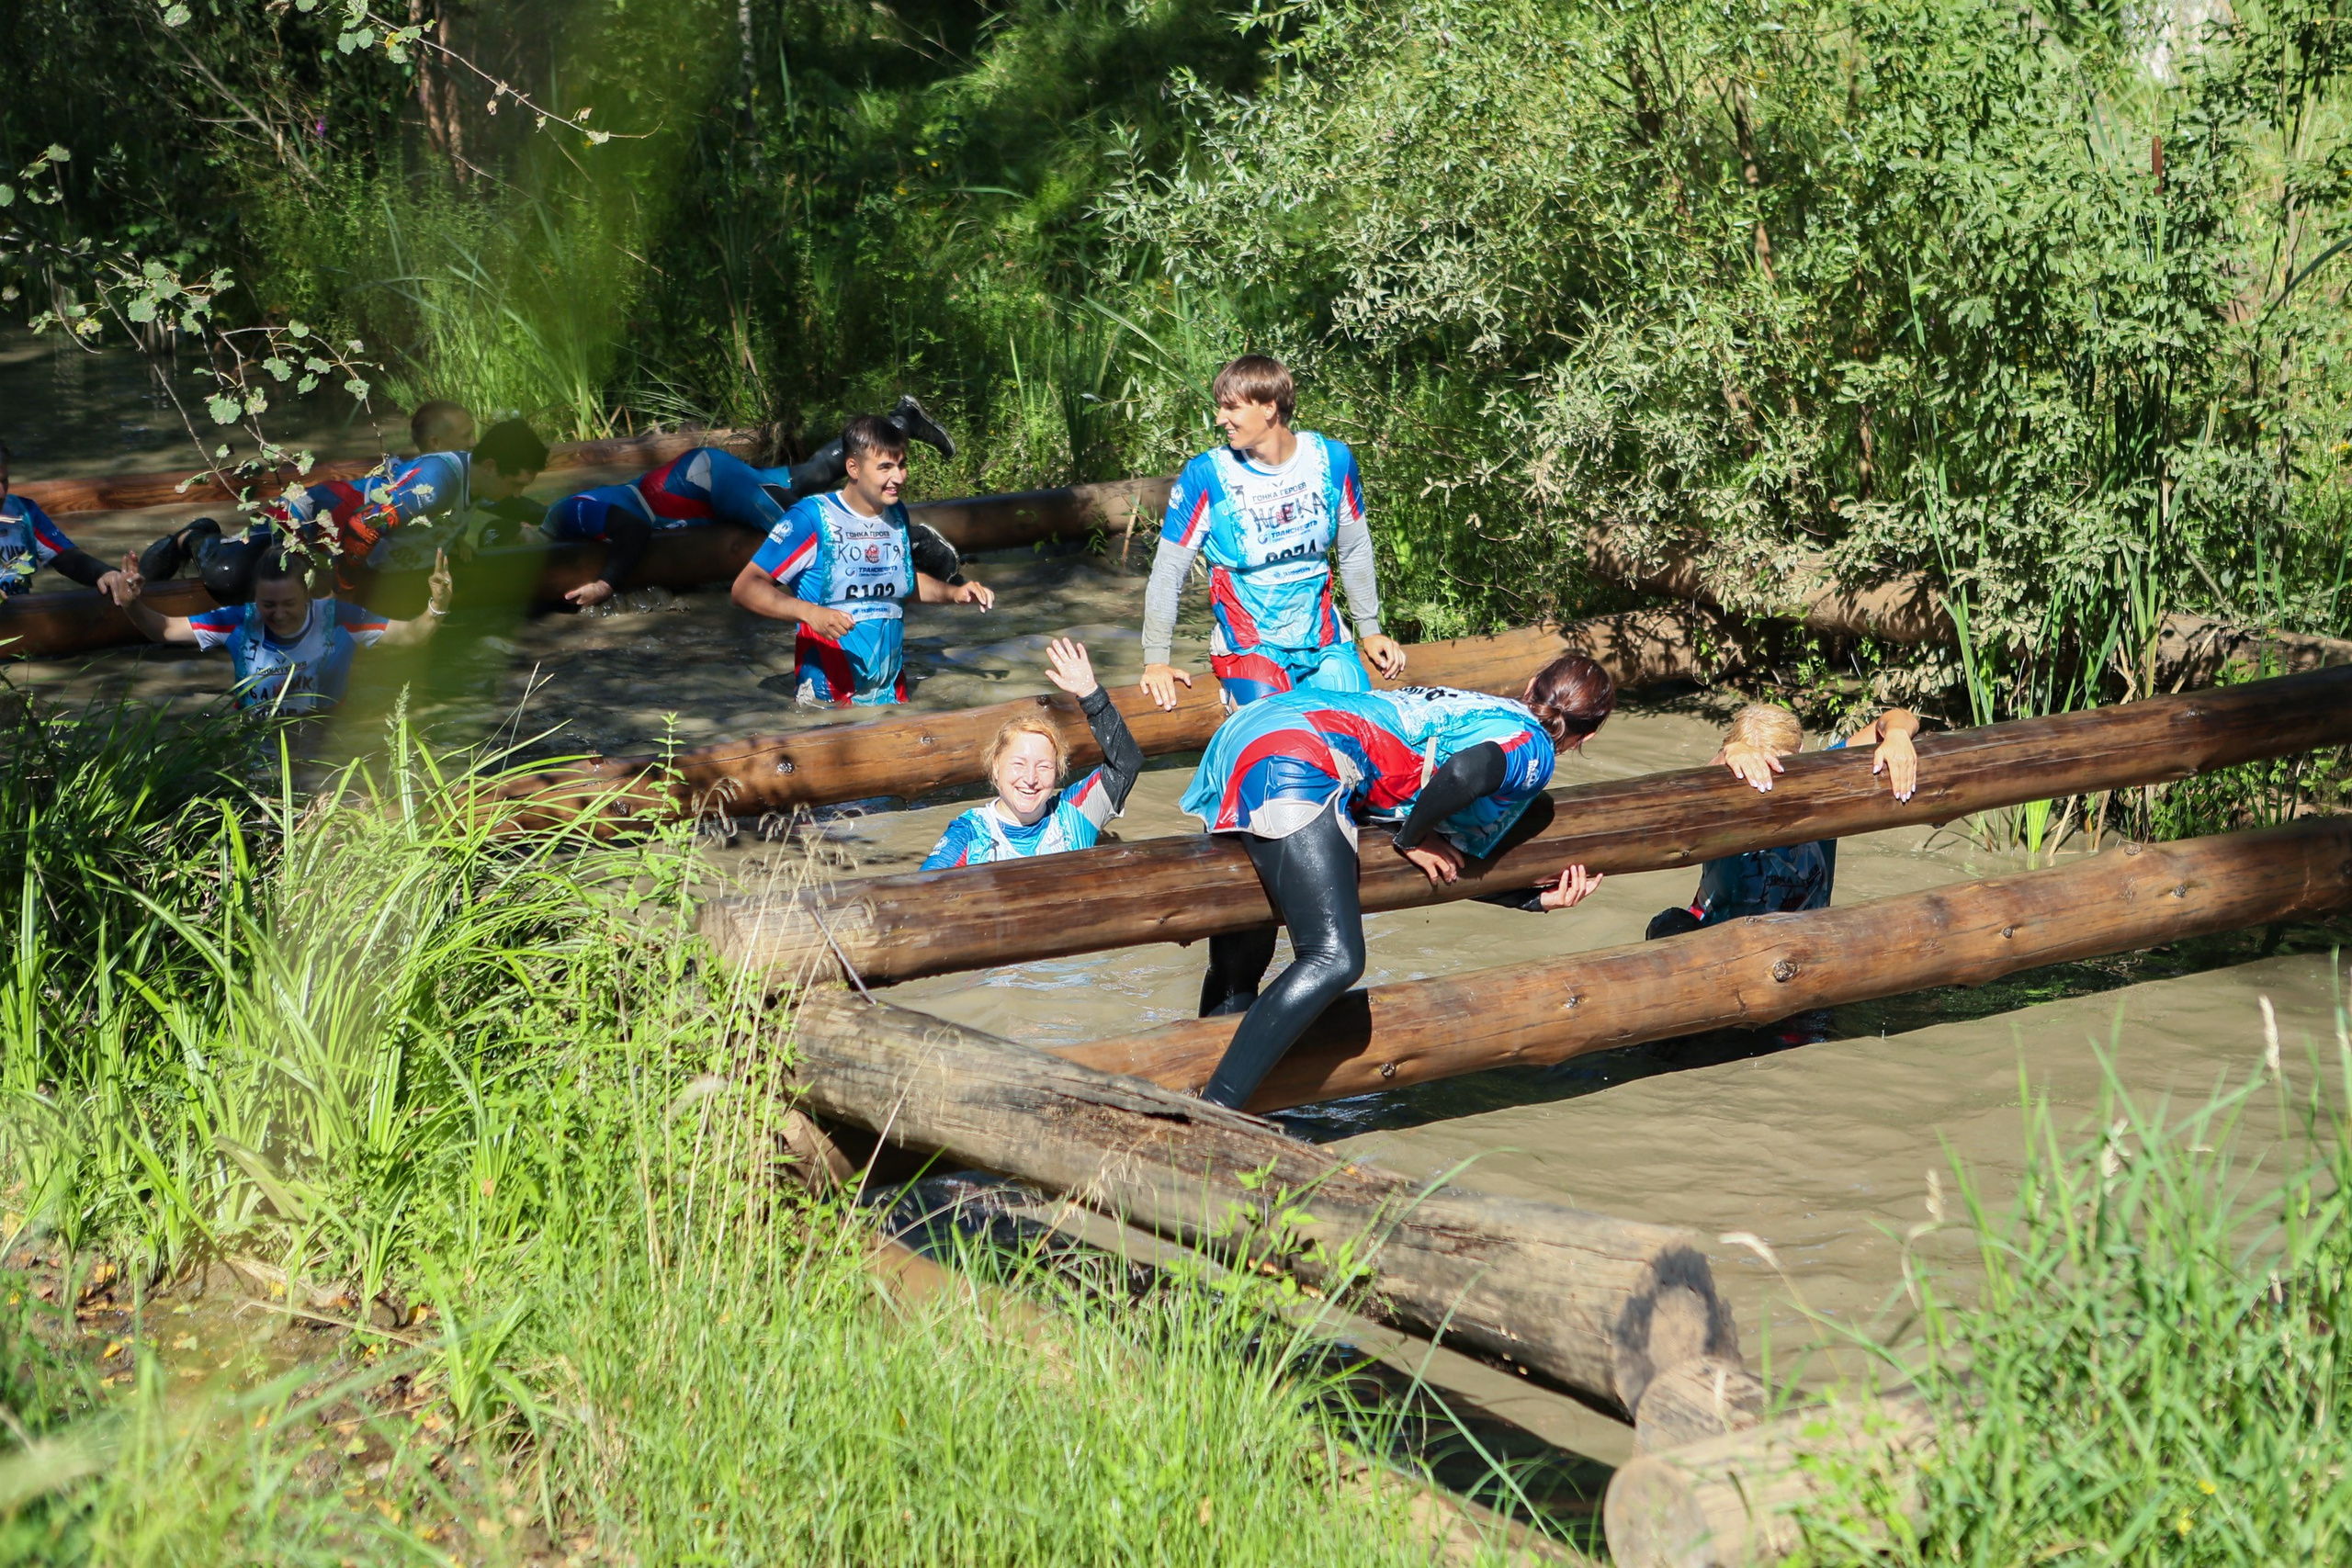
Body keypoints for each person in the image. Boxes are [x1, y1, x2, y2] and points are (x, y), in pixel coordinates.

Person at [1176, 654, 1618, 1109]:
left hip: (1255, 728)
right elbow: (1465, 774)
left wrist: (1531, 900)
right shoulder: (1534, 748)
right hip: (1299, 755)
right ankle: (1217, 1113)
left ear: (1531, 684)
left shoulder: (1478, 709)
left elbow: (1447, 852)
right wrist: (1413, 837)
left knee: (1242, 957)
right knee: (1334, 958)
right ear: (1592, 732)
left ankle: (1200, 1092)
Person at [1138, 355, 1407, 714]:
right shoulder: (1206, 475)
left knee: (1360, 727)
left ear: (1268, 408)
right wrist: (1156, 659)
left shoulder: (1333, 460)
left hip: (1324, 637)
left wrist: (1369, 629)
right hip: (1249, 645)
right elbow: (1168, 571)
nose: (1220, 419)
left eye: (1231, 407)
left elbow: (1355, 548)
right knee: (1282, 740)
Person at [138, 408, 544, 598]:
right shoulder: (440, 479)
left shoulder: (478, 478)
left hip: (341, 542)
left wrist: (452, 538)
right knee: (225, 577)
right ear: (490, 466)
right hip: (310, 519)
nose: (518, 494)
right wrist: (346, 589)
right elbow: (364, 526)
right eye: (517, 484)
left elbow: (441, 518)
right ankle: (199, 536)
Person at [730, 413, 993, 706]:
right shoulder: (811, 518)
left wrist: (954, 593)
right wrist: (810, 613)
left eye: (902, 464)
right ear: (853, 468)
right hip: (827, 703)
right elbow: (745, 588)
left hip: (893, 697)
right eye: (885, 467)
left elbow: (900, 585)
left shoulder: (896, 515)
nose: (899, 477)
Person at [1642, 702, 1921, 939]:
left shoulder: (1822, 776)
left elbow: (1900, 717)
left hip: (1800, 941)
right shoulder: (1722, 778)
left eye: (1778, 767)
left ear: (1801, 752)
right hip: (1715, 933)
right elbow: (1690, 785)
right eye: (1753, 770)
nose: (1766, 781)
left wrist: (1897, 734)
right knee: (1668, 924)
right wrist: (1730, 754)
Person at [114, 544, 450, 713]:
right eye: (268, 605)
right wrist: (132, 605)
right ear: (254, 598)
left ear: (308, 595)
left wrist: (438, 605)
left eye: (289, 604)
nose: (278, 614)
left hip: (324, 738)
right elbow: (165, 630)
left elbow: (413, 636)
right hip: (256, 742)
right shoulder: (238, 621)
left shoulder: (339, 618)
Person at [921, 638, 1143, 869]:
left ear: (1058, 772)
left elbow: (1127, 763)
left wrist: (1091, 694)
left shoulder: (1075, 813)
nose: (1030, 779)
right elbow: (923, 890)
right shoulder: (970, 833)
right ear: (996, 766)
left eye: (1044, 766)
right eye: (1018, 764)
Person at [0, 440, 139, 604]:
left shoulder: (24, 511)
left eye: (4, 481)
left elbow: (68, 559)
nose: (1, 494)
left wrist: (104, 573)